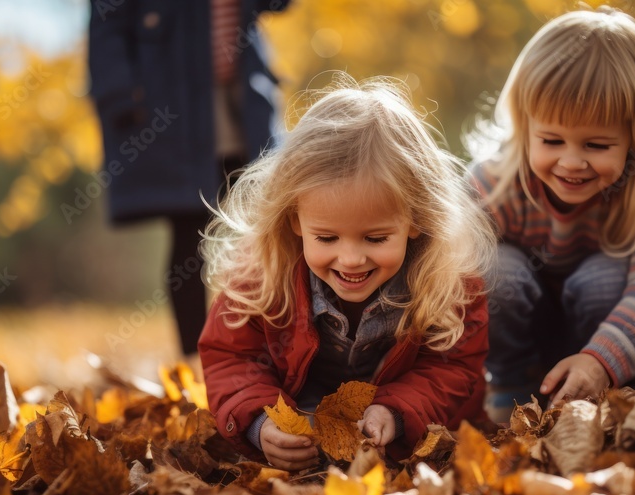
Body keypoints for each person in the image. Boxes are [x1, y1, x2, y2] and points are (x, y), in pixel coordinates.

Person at [199, 78, 498, 469]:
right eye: (326, 238)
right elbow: (230, 358)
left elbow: (452, 368)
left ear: (416, 221)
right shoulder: (260, 277)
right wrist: (261, 423)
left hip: (405, 427)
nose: (351, 258)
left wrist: (397, 411)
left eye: (375, 238)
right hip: (300, 413)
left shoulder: (445, 282)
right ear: (295, 221)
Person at [469, 6, 635, 421]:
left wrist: (600, 361)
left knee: (603, 278)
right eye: (552, 140)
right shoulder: (496, 185)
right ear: (526, 127)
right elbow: (439, 267)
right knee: (493, 269)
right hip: (522, 340)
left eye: (596, 146)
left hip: (604, 340)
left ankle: (593, 394)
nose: (572, 162)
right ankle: (510, 394)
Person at [88, 0, 290, 362]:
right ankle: (195, 357)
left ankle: (272, 349)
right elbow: (109, 25)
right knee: (188, 234)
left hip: (244, 104)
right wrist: (120, 95)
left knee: (270, 228)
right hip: (174, 112)